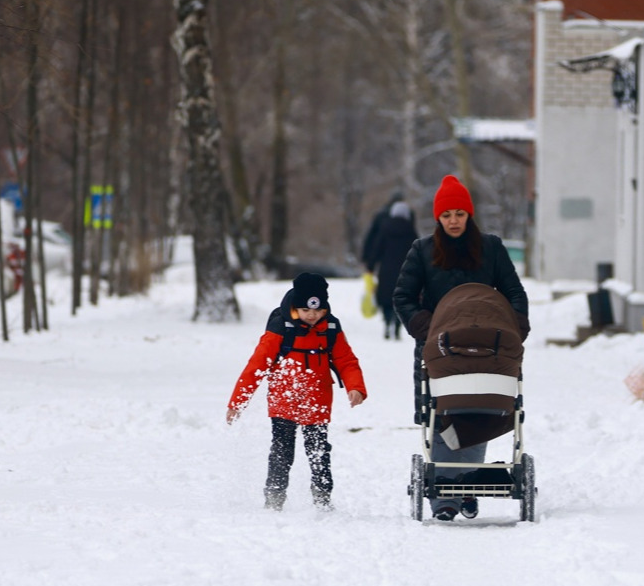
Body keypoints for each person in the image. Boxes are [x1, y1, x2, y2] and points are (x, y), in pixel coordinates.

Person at [393, 175, 529, 522]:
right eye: (446, 215)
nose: (453, 221)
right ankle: (446, 497)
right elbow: (403, 297)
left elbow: (514, 292)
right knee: (443, 413)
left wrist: (514, 328)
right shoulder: (422, 251)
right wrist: (429, 330)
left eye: (459, 214)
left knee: (481, 408)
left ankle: (466, 486)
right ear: (437, 218)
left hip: (487, 346)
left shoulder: (491, 248)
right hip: (440, 348)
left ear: (469, 215)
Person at [227, 273, 367, 511]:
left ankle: (322, 497)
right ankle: (274, 497)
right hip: (284, 399)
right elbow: (256, 366)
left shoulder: (330, 327)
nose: (312, 315)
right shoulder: (281, 327)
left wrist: (355, 388)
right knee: (282, 451)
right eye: (305, 310)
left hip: (317, 400)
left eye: (318, 310)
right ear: (295, 307)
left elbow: (346, 360)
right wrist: (237, 402)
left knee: (319, 453)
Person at [367, 200, 417, 340]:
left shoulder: (385, 228)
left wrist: (371, 265)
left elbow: (377, 248)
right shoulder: (410, 230)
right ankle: (397, 326)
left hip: (386, 269)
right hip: (404, 270)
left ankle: (387, 322)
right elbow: (416, 250)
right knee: (401, 297)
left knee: (385, 297)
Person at [360, 188, 403, 273]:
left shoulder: (381, 214)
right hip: (401, 255)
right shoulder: (406, 215)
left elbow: (372, 236)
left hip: (384, 254)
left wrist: (368, 258)